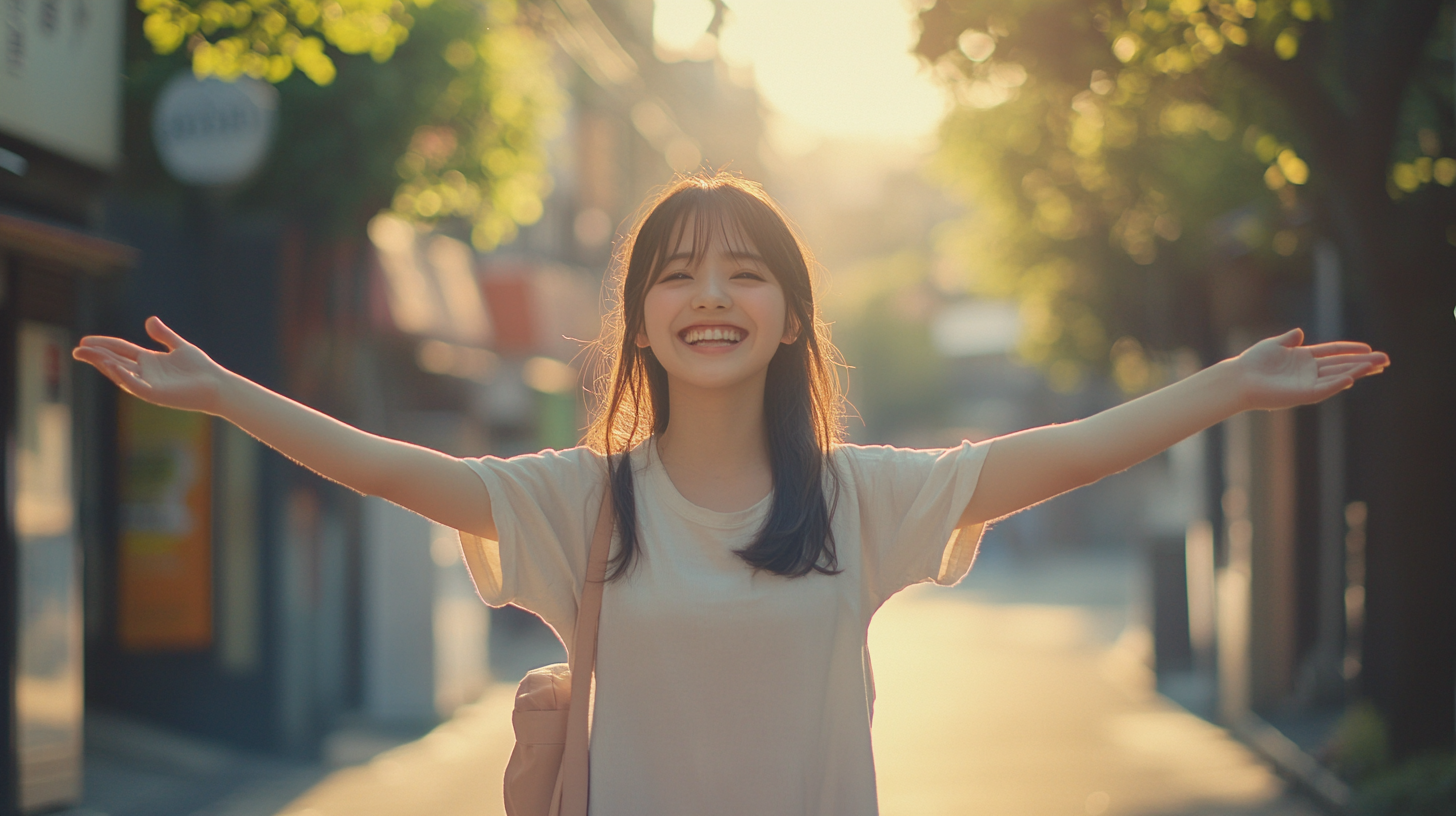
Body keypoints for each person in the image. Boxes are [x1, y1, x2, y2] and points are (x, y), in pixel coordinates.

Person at [72, 173, 1387, 815]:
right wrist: (225, 393)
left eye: (746, 273)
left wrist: (1230, 384)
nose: (712, 297)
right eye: (680, 275)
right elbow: (392, 468)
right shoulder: (582, 503)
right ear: (640, 319)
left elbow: (1068, 448)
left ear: (794, 318)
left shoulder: (861, 502)